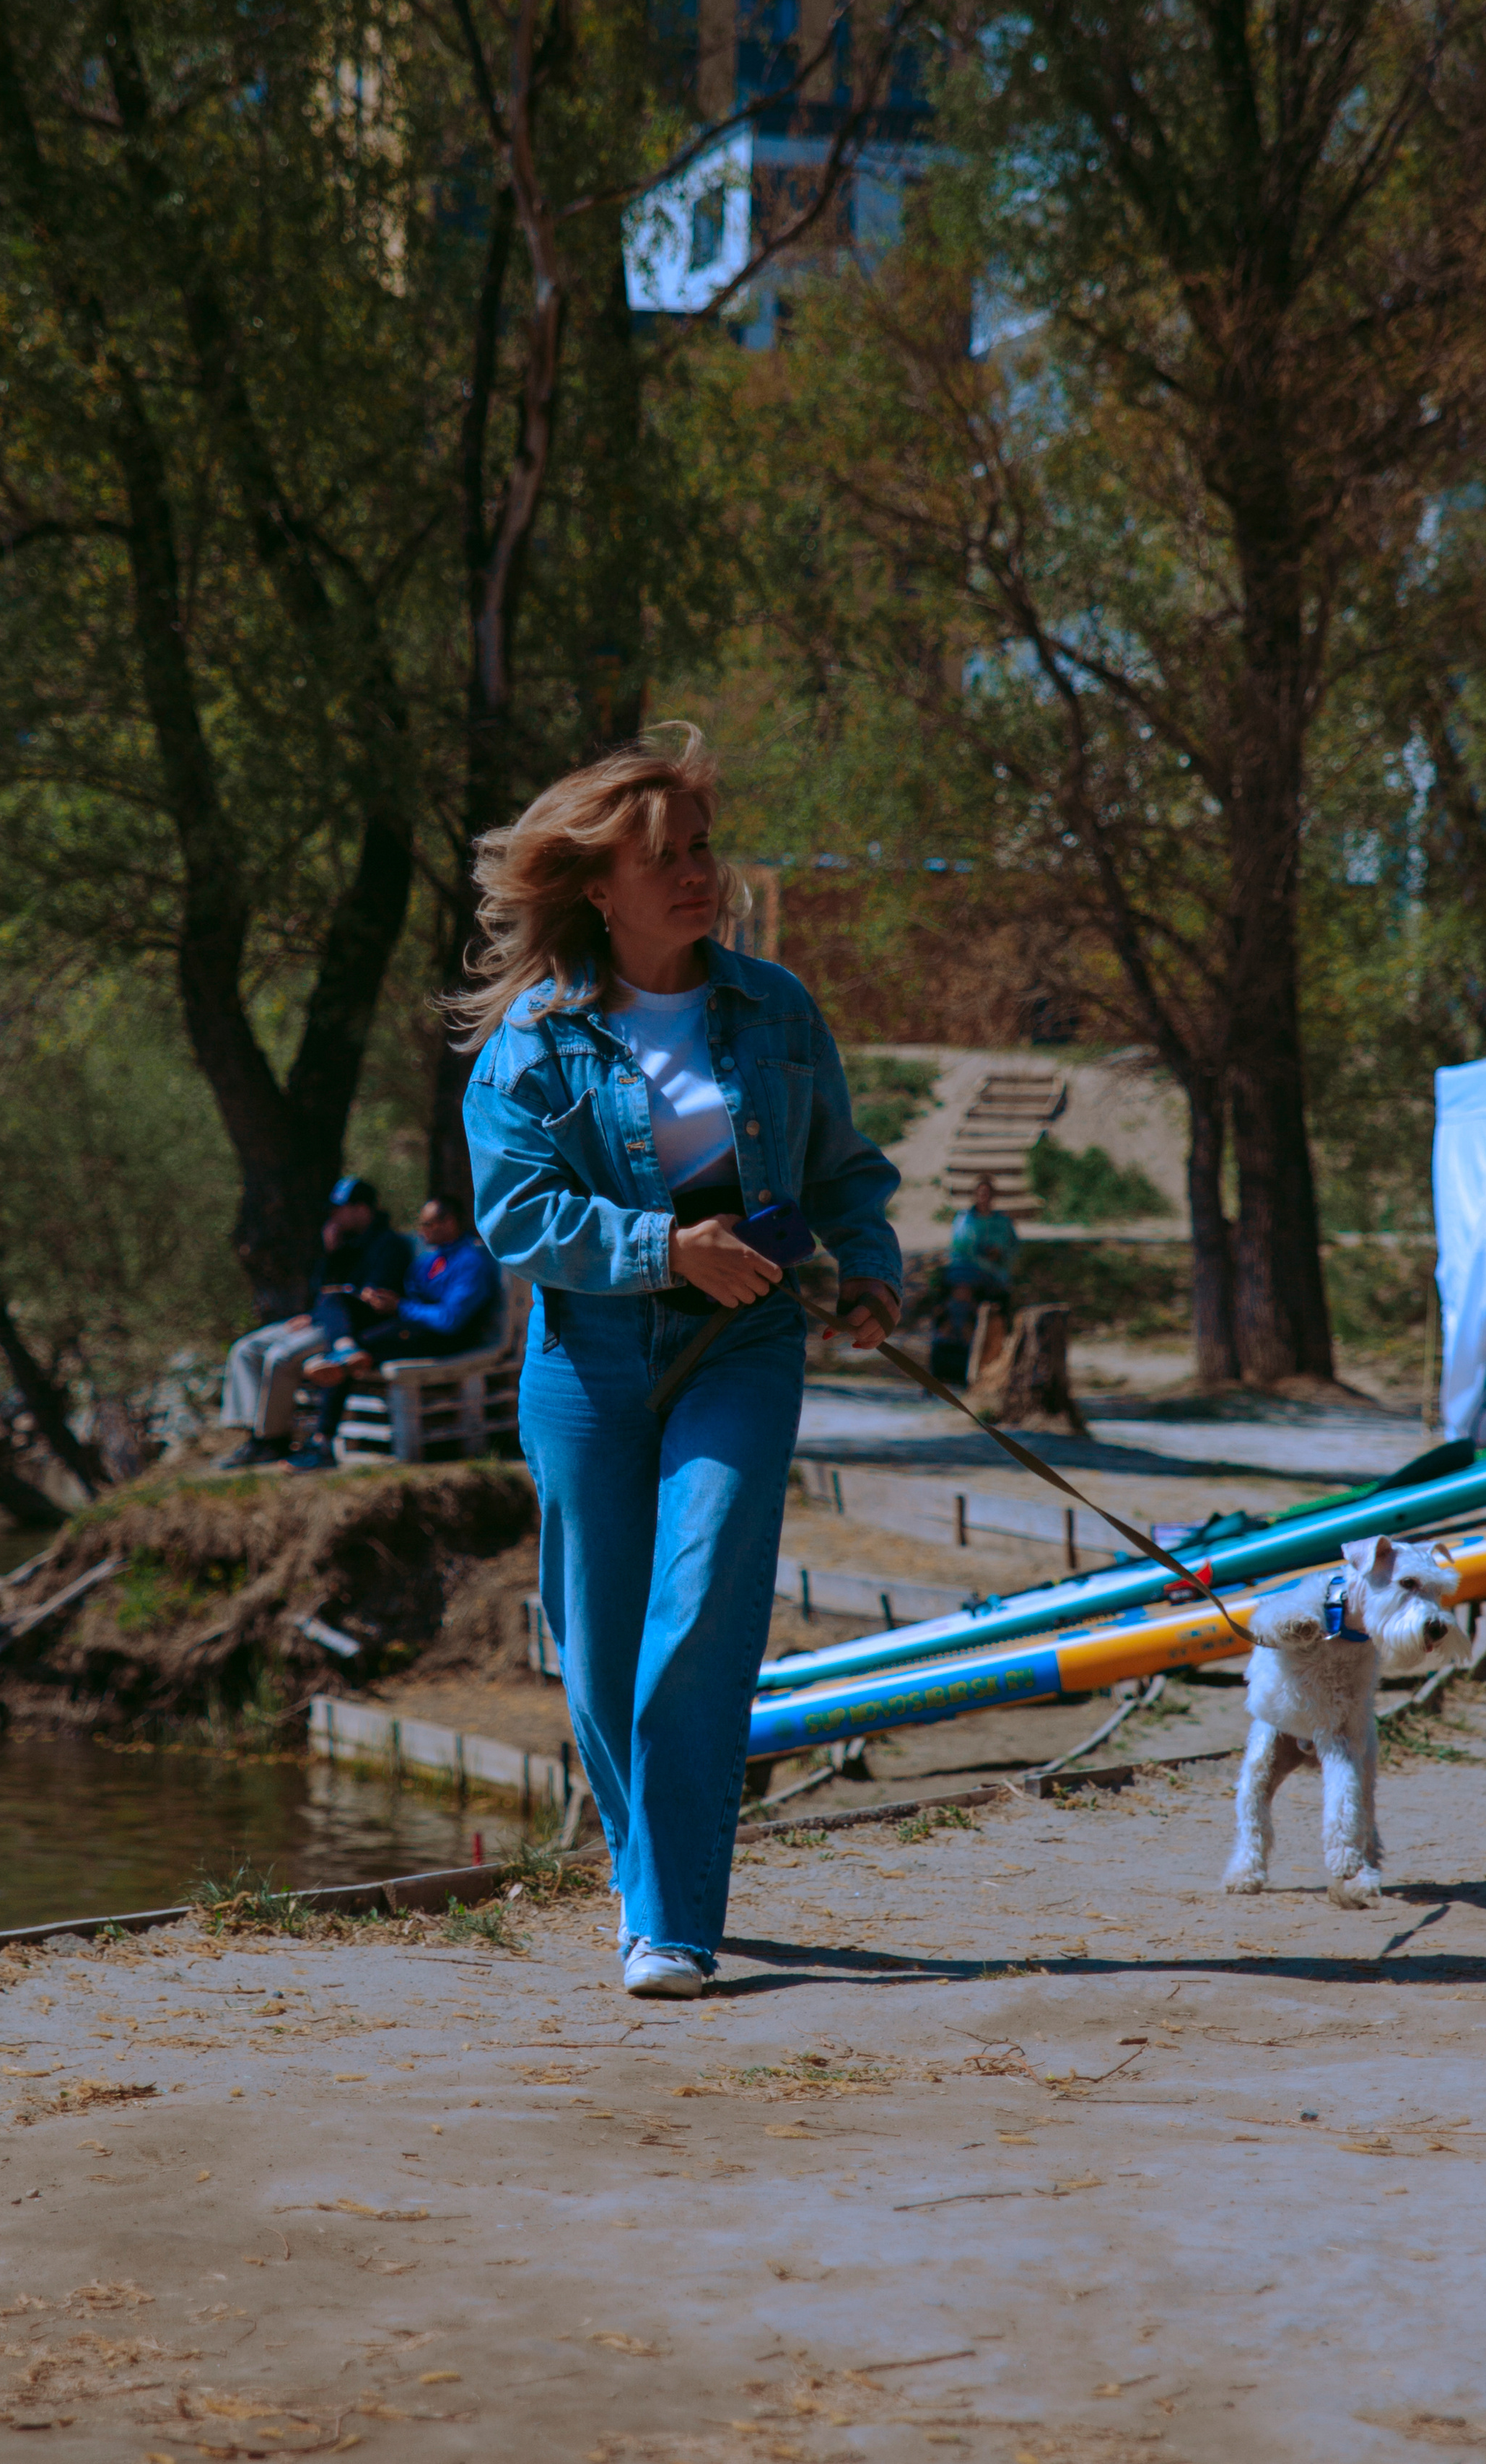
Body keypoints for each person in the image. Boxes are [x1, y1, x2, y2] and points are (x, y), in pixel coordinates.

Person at [458, 725, 901, 1999]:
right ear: (599, 884)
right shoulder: (532, 1044)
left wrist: (868, 1265)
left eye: (704, 847)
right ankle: (642, 1863)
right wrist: (665, 1243)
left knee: (701, 1602)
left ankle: (671, 1923)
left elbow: (843, 1171)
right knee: (597, 1651)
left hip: (743, 1342)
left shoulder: (776, 1008)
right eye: (667, 855)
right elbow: (520, 1216)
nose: (699, 873)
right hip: (586, 1359)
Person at [289, 1196, 502, 1471]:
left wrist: (400, 1306)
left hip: (443, 1339)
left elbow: (450, 1319)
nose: (422, 1231)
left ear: (449, 1222)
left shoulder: (471, 1260)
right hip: (411, 1327)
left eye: (428, 1224)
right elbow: (411, 1295)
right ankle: (345, 1349)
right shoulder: (431, 1260)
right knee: (336, 1299)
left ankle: (321, 1441)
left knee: (353, 1356)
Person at [217, 1177, 411, 1469]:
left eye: (340, 1209)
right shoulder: (342, 1243)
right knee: (246, 1348)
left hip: (346, 1329)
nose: (334, 1216)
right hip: (319, 1318)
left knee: (281, 1357)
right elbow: (322, 1290)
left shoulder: (390, 1245)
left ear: (361, 1209)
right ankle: (252, 1434)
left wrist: (332, 1293)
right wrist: (330, 1257)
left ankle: (273, 1440)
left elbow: (370, 1301)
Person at [948, 1174, 1018, 1307]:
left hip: (995, 1269)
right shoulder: (965, 1220)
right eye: (981, 1193)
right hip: (967, 1267)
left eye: (987, 1193)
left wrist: (999, 1253)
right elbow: (959, 1247)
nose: (984, 1197)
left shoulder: (1002, 1221)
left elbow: (1013, 1246)